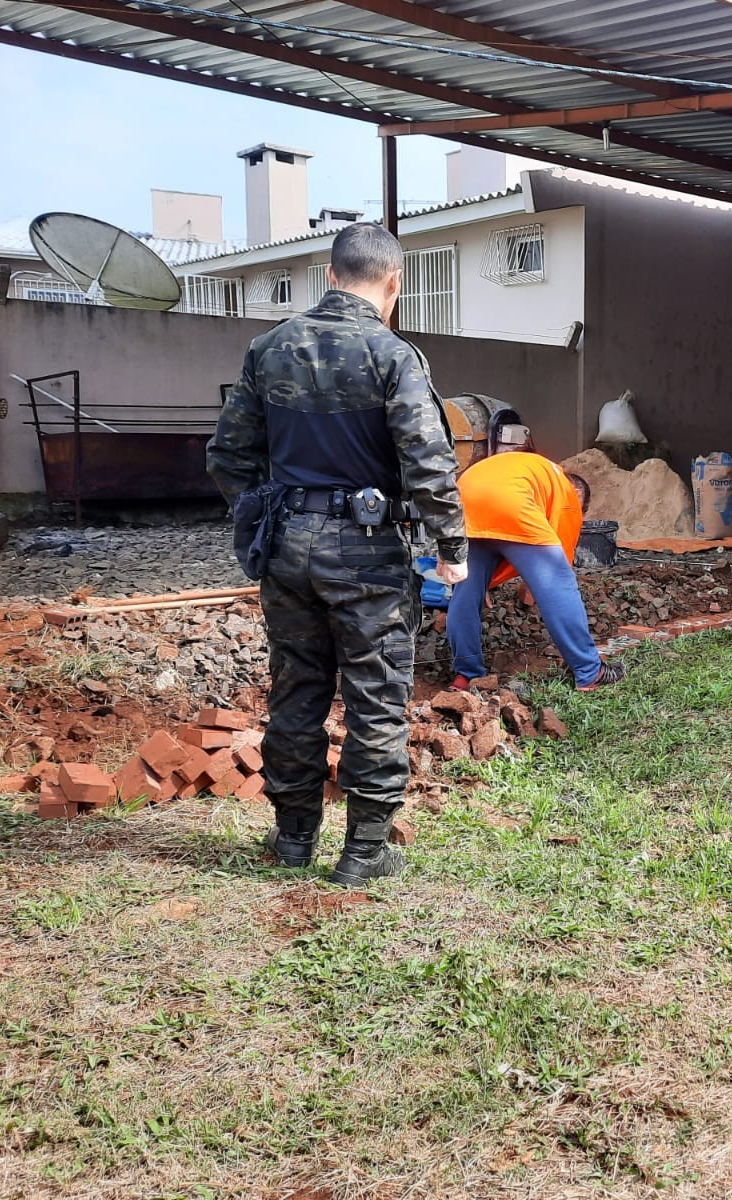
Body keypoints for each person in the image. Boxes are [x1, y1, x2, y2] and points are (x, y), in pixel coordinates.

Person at [207, 222, 469, 887]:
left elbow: (227, 456)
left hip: (287, 550)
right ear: (394, 282)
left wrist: (268, 513)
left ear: (329, 275)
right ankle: (365, 851)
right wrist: (452, 548)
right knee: (376, 696)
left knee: (297, 688)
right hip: (367, 554)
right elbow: (430, 463)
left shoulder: (268, 348)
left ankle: (293, 839)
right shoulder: (394, 356)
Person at [446, 430, 625, 692]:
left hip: (464, 497)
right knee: (560, 583)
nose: (577, 514)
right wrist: (538, 583)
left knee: (465, 590)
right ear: (578, 494)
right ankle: (590, 671)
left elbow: (499, 541)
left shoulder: (530, 468)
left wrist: (487, 583)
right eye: (580, 510)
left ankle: (467, 675)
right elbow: (559, 565)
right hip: (509, 501)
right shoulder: (566, 491)